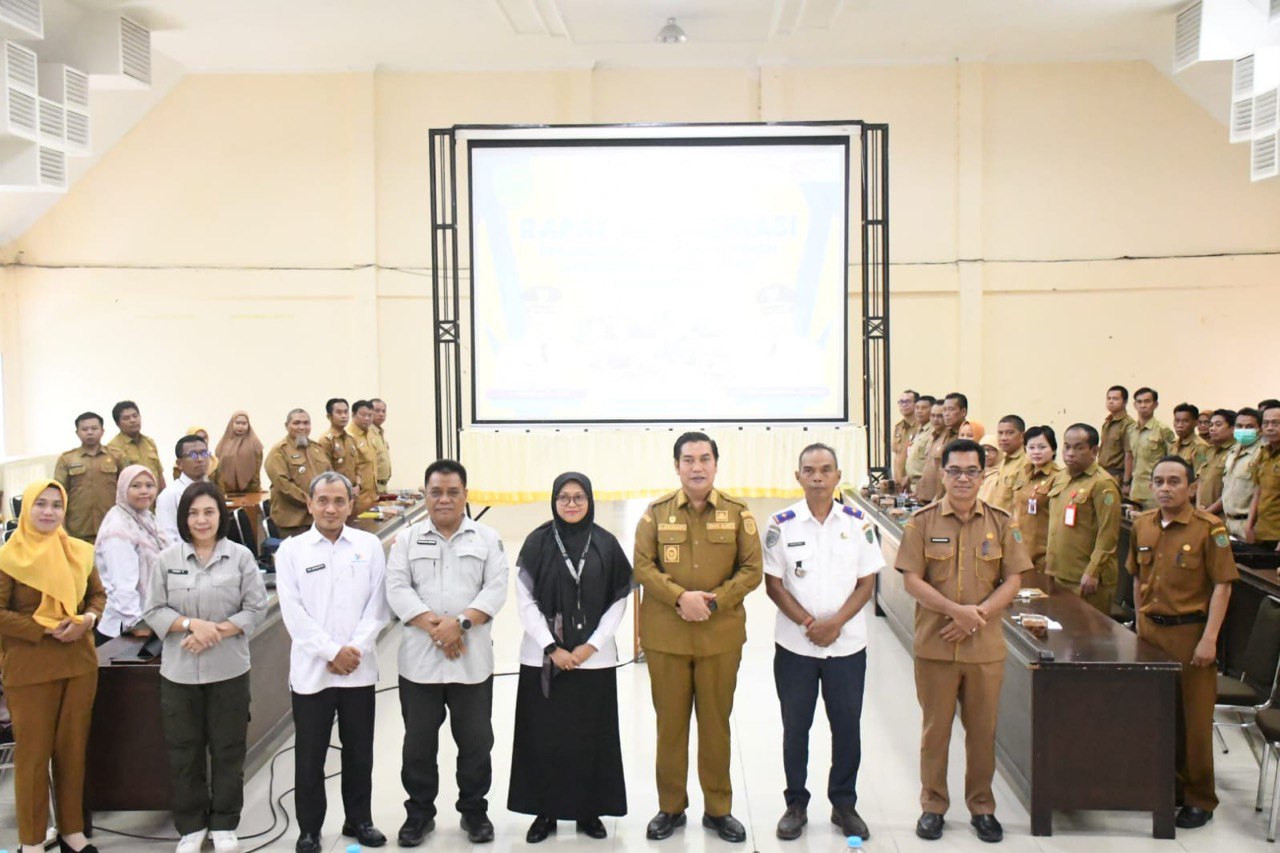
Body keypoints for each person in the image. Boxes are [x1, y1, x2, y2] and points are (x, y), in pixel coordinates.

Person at [896, 438, 1031, 844]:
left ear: (983, 474)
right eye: (954, 471)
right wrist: (956, 612)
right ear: (943, 473)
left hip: (984, 648)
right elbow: (911, 580)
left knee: (982, 732)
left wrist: (977, 617)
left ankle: (982, 807)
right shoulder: (921, 522)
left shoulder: (1002, 523)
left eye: (971, 471)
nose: (962, 479)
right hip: (935, 645)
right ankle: (933, 805)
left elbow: (1013, 580)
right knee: (935, 731)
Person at [633, 432, 762, 844]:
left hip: (718, 636)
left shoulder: (738, 513)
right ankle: (670, 807)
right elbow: (642, 565)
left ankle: (718, 809)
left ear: (716, 464)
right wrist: (680, 597)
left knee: (715, 725)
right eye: (688, 460)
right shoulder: (655, 514)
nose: (697, 467)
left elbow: (752, 569)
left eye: (704, 459)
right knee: (670, 726)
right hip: (667, 638)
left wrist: (713, 602)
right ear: (677, 466)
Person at [385, 460, 509, 847]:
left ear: (465, 495)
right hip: (419, 664)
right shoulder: (406, 540)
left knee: (476, 743)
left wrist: (461, 624)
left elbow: (496, 588)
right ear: (425, 495)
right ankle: (419, 813)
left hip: (471, 663)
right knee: (418, 745)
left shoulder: (487, 538)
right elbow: (397, 588)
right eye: (436, 492)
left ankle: (474, 811)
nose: (444, 499)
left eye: (453, 492)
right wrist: (438, 627)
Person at [763, 444, 881, 842]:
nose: (817, 477)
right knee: (796, 727)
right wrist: (809, 624)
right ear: (797, 476)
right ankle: (795, 803)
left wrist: (836, 624)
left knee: (847, 726)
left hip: (846, 647)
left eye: (826, 469)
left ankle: (844, 803)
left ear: (837, 476)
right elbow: (773, 584)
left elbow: (867, 582)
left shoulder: (858, 522)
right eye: (809, 470)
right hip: (795, 647)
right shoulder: (782, 524)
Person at [144, 481, 269, 853]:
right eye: (194, 513)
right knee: (184, 750)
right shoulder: (167, 559)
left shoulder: (240, 557)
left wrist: (213, 632)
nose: (201, 520)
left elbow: (255, 608)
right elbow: (154, 610)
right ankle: (192, 825)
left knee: (229, 748)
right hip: (179, 674)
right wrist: (190, 624)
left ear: (221, 515)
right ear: (184, 518)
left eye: (209, 512)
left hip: (229, 671)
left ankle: (225, 823)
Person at [508, 472, 632, 843]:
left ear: (590, 500)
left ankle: (589, 810)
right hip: (543, 659)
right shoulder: (537, 541)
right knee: (544, 736)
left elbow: (619, 600)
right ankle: (544, 811)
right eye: (564, 497)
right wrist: (552, 647)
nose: (572, 504)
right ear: (554, 500)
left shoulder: (606, 543)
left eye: (579, 497)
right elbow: (525, 600)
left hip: (594, 660)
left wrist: (591, 646)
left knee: (591, 737)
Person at [274, 472, 390, 853]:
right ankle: (310, 829)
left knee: (359, 751)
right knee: (310, 756)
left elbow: (378, 605)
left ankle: (359, 820)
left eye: (339, 501)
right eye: (322, 500)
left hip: (358, 668)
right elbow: (294, 614)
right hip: (313, 673)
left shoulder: (369, 546)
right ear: (309, 504)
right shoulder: (291, 551)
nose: (330, 508)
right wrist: (330, 652)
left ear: (350, 505)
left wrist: (353, 649)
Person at [1127, 456, 1236, 829]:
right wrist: (1139, 622)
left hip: (1190, 635)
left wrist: (1210, 639)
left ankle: (1199, 798)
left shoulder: (1209, 529)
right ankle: (1167, 787)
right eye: (1158, 481)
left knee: (1194, 722)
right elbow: (1137, 578)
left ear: (1191, 487)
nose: (1165, 488)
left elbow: (1223, 586)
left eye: (1174, 481)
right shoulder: (1142, 524)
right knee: (1158, 715)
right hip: (1151, 632)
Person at [0, 480, 106, 853]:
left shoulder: (78, 551)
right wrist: (44, 628)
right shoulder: (8, 558)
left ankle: (71, 831)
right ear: (26, 509)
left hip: (78, 663)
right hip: (30, 669)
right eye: (40, 504)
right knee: (33, 756)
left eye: (56, 505)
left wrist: (87, 620)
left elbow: (97, 596)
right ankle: (30, 840)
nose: (49, 511)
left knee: (72, 751)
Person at [1045, 425, 1122, 614]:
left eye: (1078, 448)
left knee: (1085, 630)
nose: (1070, 453)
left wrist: (1093, 571)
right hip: (1059, 572)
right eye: (1067, 447)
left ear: (1094, 451)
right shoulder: (1060, 477)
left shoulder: (1103, 484)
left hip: (1085, 578)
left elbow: (1108, 534)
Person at [94, 465, 164, 644]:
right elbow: (122, 585)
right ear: (123, 488)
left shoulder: (145, 517)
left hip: (148, 616)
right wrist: (136, 623)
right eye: (136, 486)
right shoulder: (118, 529)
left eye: (149, 485)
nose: (144, 491)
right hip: (123, 627)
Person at [54, 412, 126, 543]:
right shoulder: (67, 459)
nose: (90, 432)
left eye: (94, 428)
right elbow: (58, 495)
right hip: (78, 530)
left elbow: (126, 491)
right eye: (84, 429)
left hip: (112, 527)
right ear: (77, 433)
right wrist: (61, 528)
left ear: (102, 431)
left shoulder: (117, 456)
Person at [265, 409, 331, 537]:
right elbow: (283, 485)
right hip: (293, 521)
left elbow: (330, 476)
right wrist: (310, 501)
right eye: (296, 423)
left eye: (306, 423)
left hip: (318, 518)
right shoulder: (278, 451)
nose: (302, 427)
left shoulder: (317, 448)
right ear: (286, 426)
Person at [1010, 426, 1062, 573]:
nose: (1036, 452)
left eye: (1042, 447)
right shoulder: (1023, 473)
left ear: (1053, 449)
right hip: (1019, 549)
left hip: (1042, 555)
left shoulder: (1058, 477)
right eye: (1031, 447)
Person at [156, 435, 211, 546]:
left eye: (204, 453)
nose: (200, 459)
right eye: (193, 455)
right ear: (179, 464)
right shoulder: (169, 495)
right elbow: (167, 539)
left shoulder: (212, 490)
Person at [1127, 387, 1175, 510]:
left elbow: (1172, 461)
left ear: (1155, 404)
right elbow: (1130, 457)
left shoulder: (1163, 430)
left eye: (1147, 401)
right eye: (1139, 402)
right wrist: (1126, 483)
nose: (1143, 405)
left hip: (1154, 490)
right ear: (1134, 405)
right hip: (1135, 489)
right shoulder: (1131, 430)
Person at [1220, 407, 1263, 539]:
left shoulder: (1261, 453)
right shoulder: (1233, 451)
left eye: (1249, 426)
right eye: (1239, 426)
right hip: (1228, 522)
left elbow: (1260, 492)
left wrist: (1249, 525)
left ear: (1260, 429)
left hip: (1249, 524)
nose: (1243, 430)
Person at [916, 393, 965, 503]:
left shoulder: (963, 436)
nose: (946, 414)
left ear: (963, 412)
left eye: (950, 409)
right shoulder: (942, 435)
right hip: (928, 498)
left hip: (945, 500)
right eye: (945, 410)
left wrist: (939, 498)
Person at [107, 399, 166, 490]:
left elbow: (160, 475)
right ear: (117, 423)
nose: (133, 420)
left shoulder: (149, 442)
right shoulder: (112, 448)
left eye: (135, 416)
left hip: (154, 497)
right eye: (126, 418)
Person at [1246, 402, 1280, 551]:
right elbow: (1258, 490)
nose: (1270, 428)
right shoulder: (1263, 453)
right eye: (1266, 423)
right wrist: (1249, 525)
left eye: (1276, 423)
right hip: (1262, 532)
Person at [1197, 409, 1237, 513]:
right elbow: (1200, 479)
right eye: (1211, 425)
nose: (1212, 428)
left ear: (1232, 428)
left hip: (1222, 514)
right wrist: (1198, 505)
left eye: (1218, 425)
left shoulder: (1236, 452)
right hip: (1202, 512)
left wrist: (1209, 511)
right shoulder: (1208, 450)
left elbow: (1231, 489)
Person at [214, 412, 263, 496]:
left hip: (249, 490)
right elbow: (217, 468)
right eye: (237, 423)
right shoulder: (223, 443)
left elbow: (257, 469)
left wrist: (254, 489)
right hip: (225, 490)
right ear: (231, 424)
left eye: (244, 423)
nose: (240, 426)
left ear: (248, 425)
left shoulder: (255, 443)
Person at [986, 416, 1028, 515]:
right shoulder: (1004, 460)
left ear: (1022, 436)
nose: (1003, 438)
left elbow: (1021, 504)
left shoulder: (1026, 463)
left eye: (1009, 433)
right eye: (1000, 433)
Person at [345, 400, 381, 514]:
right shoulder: (348, 437)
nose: (367, 418)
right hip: (358, 498)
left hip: (373, 496)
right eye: (363, 415)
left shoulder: (370, 434)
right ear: (353, 415)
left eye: (370, 415)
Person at [318, 398, 360, 490]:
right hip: (336, 491)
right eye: (339, 412)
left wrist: (358, 486)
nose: (343, 416)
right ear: (329, 416)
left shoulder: (351, 439)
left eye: (346, 412)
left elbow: (357, 467)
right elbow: (325, 472)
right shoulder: (326, 441)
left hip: (353, 491)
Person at [1099, 385, 1135, 484]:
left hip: (1117, 476)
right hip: (1102, 473)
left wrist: (1126, 482)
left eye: (1115, 399)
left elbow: (1129, 455)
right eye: (1109, 398)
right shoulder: (1107, 422)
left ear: (1125, 402)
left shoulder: (1128, 424)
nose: (1111, 401)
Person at [905, 396, 940, 492]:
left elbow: (930, 463)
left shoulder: (932, 432)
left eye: (924, 408)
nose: (919, 411)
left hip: (924, 485)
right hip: (912, 485)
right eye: (917, 408)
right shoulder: (919, 430)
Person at [1172, 404, 1210, 478]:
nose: (1180, 425)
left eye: (1185, 421)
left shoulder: (1200, 447)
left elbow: (1199, 477)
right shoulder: (1173, 444)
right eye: (1177, 421)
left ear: (1195, 423)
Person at [892, 390, 921, 487]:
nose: (903, 405)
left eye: (907, 402)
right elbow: (897, 454)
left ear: (916, 404)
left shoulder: (920, 427)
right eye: (901, 402)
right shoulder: (899, 427)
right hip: (899, 482)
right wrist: (895, 479)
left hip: (914, 482)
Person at [370, 398, 392, 491]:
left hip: (383, 485)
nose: (381, 414)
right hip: (373, 486)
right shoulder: (368, 434)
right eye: (377, 411)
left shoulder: (380, 433)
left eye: (383, 411)